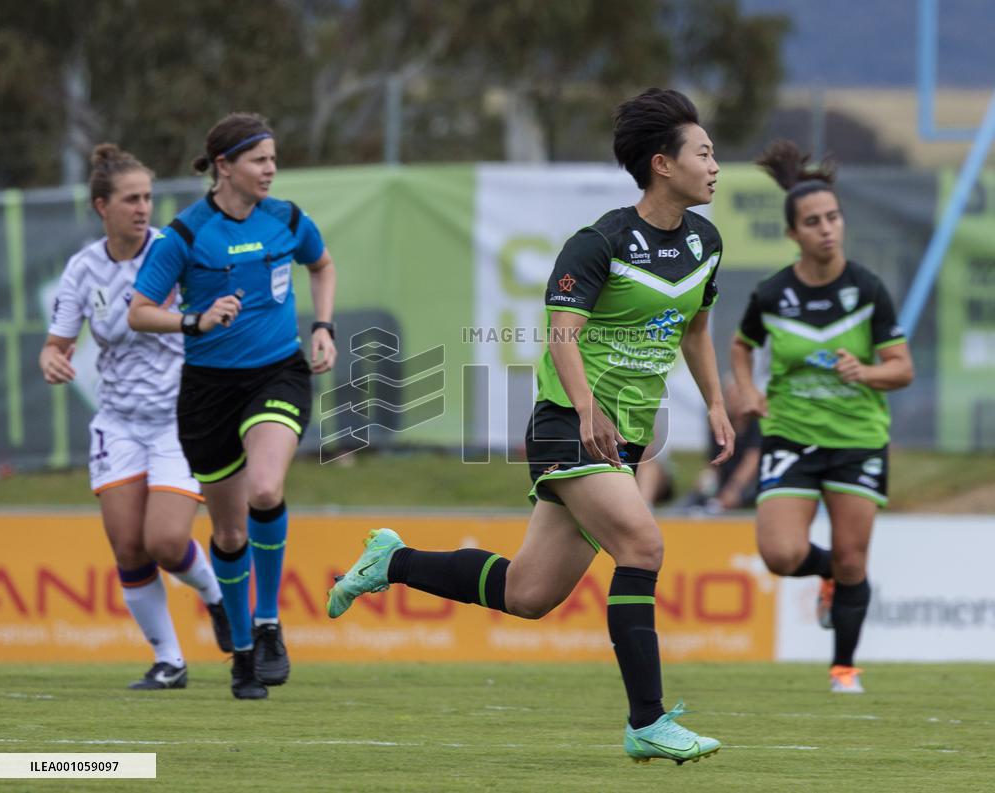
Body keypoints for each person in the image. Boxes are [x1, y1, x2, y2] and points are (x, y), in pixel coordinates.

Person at [329, 88, 731, 764]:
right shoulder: (599, 242)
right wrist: (587, 408)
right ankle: (648, 720)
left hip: (625, 435)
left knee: (528, 593)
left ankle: (391, 561)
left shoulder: (705, 242)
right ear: (663, 164)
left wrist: (717, 402)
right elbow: (561, 335)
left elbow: (695, 328)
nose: (716, 166)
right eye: (705, 153)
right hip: (568, 424)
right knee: (642, 545)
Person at [129, 113, 337, 700]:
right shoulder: (184, 235)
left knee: (265, 490)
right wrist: (194, 319)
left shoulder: (287, 219)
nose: (270, 169)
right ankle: (242, 652)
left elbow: (321, 264)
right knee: (227, 532)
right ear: (224, 166)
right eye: (259, 159)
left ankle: (268, 623)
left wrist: (323, 326)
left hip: (277, 373)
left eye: (273, 159)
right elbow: (140, 311)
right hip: (208, 391)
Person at [39, 143, 232, 690]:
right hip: (119, 422)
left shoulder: (173, 252)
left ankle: (216, 598)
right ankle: (169, 661)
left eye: (147, 197)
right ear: (102, 206)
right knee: (128, 546)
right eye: (131, 199)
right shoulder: (83, 268)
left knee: (165, 542)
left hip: (179, 418)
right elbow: (56, 344)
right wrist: (52, 359)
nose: (143, 208)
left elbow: (217, 309)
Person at [731, 140, 914, 694]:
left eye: (833, 217)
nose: (827, 229)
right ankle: (829, 574)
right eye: (813, 222)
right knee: (780, 554)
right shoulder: (773, 294)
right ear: (793, 234)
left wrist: (866, 371)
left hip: (857, 438)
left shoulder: (867, 289)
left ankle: (844, 670)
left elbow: (902, 368)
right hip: (791, 434)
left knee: (854, 558)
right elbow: (741, 346)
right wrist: (747, 390)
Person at [680, 377, 761, 514]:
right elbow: (713, 462)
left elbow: (752, 460)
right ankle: (682, 513)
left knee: (746, 491)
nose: (735, 401)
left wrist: (734, 486)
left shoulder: (756, 424)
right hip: (725, 478)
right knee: (702, 489)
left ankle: (717, 506)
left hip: (749, 480)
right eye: (731, 397)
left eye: (739, 397)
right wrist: (706, 478)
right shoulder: (719, 425)